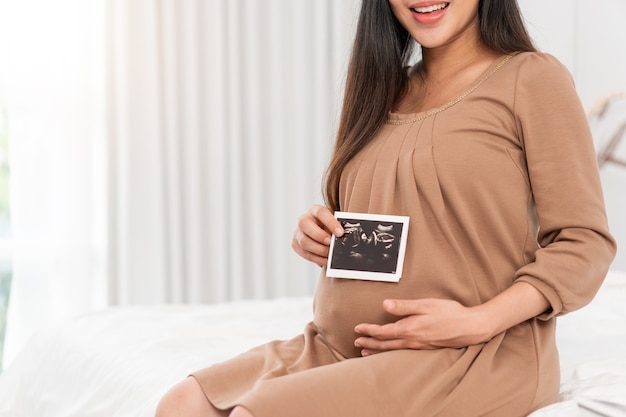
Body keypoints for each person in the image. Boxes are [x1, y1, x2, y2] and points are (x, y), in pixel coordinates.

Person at [155, 0, 617, 416]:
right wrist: (316, 230)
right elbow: (386, 215)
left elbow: (584, 242)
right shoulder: (382, 88)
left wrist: (475, 322)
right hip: (344, 346)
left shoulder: (532, 77)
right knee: (180, 405)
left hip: (472, 354)